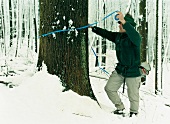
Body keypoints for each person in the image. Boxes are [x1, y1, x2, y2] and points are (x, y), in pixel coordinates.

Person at [90, 11, 142, 117]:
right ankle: (120, 108)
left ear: (129, 26)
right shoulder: (118, 37)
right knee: (109, 88)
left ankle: (134, 113)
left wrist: (124, 21)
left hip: (133, 71)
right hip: (121, 70)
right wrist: (93, 28)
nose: (119, 26)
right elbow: (107, 34)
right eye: (119, 23)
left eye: (121, 24)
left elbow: (135, 36)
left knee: (133, 95)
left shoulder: (135, 38)